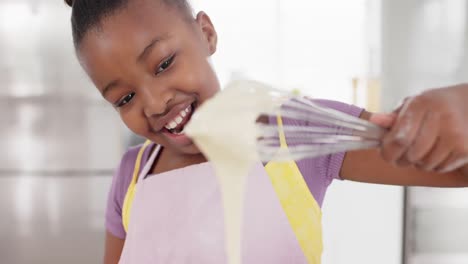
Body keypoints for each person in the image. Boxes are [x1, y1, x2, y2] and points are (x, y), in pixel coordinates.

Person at [63, 0, 468, 263]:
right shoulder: (132, 176)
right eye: (124, 98)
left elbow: (457, 171)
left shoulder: (295, 131)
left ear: (206, 34)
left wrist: (460, 109)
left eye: (164, 63)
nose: (152, 104)